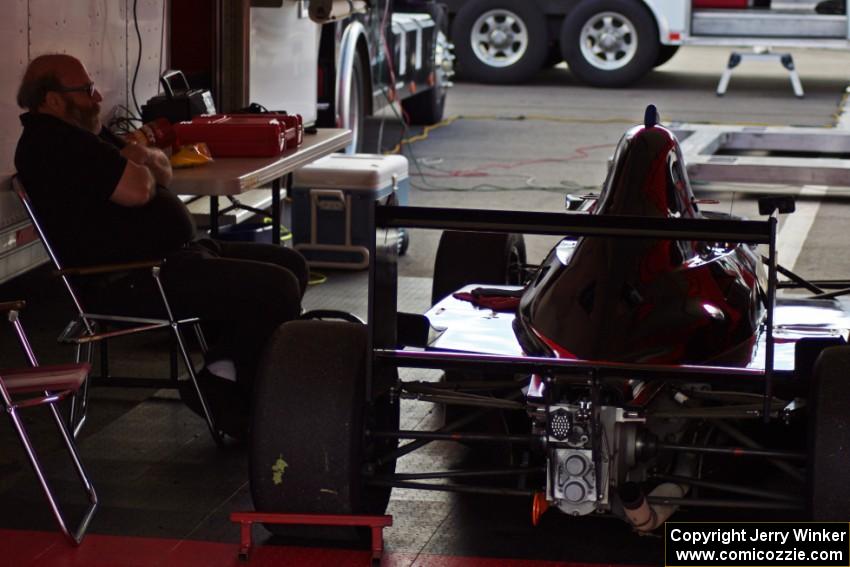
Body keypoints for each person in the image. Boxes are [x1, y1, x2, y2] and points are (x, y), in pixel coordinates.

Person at [14, 54, 309, 438]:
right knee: (276, 286)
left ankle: (224, 375)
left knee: (291, 264)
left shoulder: (86, 133)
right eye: (86, 90)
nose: (98, 96)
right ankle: (235, 394)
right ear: (52, 99)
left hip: (172, 259)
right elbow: (139, 189)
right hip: (130, 279)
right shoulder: (54, 144)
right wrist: (140, 166)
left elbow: (161, 170)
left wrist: (140, 163)